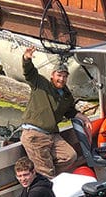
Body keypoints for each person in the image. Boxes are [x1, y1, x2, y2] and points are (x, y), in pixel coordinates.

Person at [20, 46, 92, 179]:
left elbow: (70, 111)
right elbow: (29, 72)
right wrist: (26, 59)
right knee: (46, 173)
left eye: (65, 76)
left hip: (52, 135)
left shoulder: (66, 94)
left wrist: (84, 118)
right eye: (59, 75)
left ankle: (44, 178)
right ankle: (45, 183)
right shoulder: (40, 84)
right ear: (52, 75)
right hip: (35, 134)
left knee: (70, 156)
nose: (62, 79)